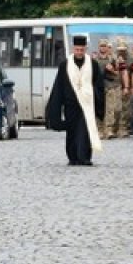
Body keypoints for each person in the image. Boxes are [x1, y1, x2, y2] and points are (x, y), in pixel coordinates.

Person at [44, 34, 102, 166]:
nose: (79, 52)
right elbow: (59, 86)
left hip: (87, 104)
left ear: (85, 49)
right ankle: (73, 156)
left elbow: (98, 84)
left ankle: (84, 157)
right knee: (72, 130)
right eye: (77, 50)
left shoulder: (93, 64)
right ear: (73, 49)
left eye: (82, 50)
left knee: (85, 130)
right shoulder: (65, 65)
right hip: (71, 104)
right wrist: (56, 107)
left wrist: (98, 101)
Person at [102, 39, 130, 140]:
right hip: (102, 86)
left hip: (115, 85)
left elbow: (123, 73)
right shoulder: (97, 58)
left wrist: (126, 87)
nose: (107, 49)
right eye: (105, 47)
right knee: (106, 109)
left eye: (109, 47)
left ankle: (115, 128)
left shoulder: (117, 59)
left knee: (117, 109)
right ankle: (106, 129)